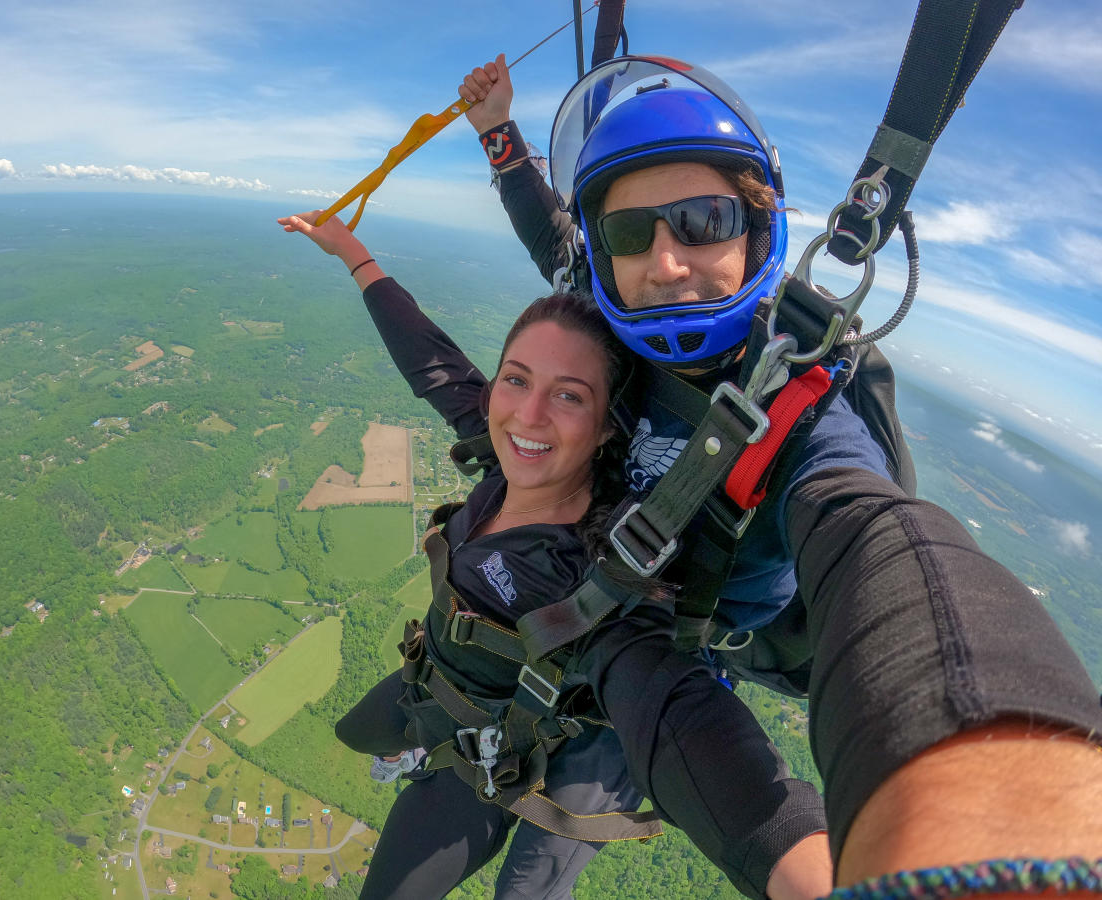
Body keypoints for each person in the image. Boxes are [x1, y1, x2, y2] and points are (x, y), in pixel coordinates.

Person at [457, 53, 1102, 893]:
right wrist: (497, 132)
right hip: (607, 606)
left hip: (708, 640)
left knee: (540, 870)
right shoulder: (604, 326)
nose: (665, 263)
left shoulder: (800, 394)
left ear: (757, 229)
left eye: (700, 220)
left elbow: (871, 531)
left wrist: (987, 769)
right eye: (628, 233)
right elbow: (548, 233)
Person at [278, 210, 835, 899]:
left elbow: (683, 719)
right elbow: (427, 358)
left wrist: (808, 869)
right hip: (432, 686)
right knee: (355, 732)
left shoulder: (599, 584)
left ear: (606, 427)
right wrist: (353, 253)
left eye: (568, 396)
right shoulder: (499, 461)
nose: (528, 415)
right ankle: (406, 745)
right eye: (515, 380)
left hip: (493, 758)